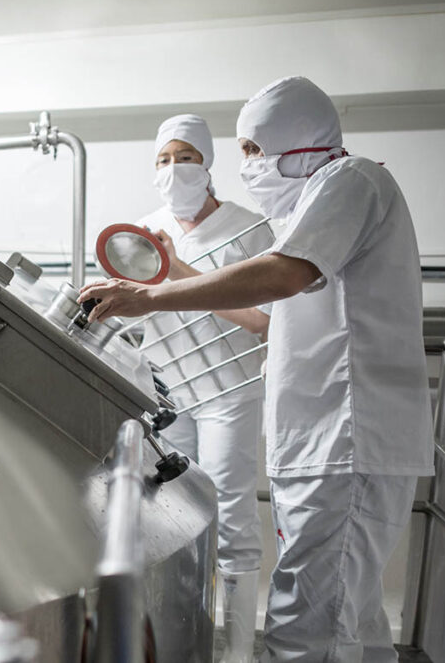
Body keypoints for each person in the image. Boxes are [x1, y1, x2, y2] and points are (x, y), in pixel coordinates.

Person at [81, 76, 433, 662]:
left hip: (347, 434)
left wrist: (152, 294)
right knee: (350, 622)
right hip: (318, 434)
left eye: (251, 149)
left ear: (293, 141)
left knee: (310, 630)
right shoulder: (313, 201)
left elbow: (282, 276)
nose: (247, 164)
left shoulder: (351, 179)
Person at [137, 113, 271, 663]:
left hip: (230, 393)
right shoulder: (143, 230)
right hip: (169, 396)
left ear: (208, 163)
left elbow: (264, 320)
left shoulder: (251, 228)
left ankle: (237, 652)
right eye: (163, 160)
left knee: (233, 518)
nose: (174, 170)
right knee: (174, 519)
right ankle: (183, 643)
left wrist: (178, 268)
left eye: (185, 157)